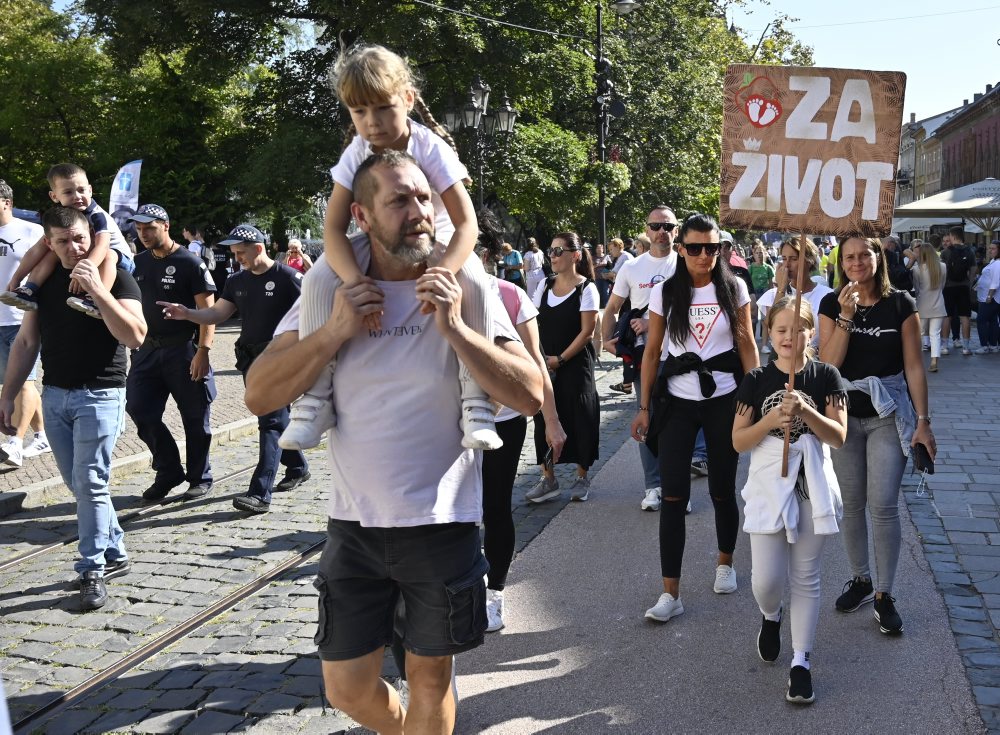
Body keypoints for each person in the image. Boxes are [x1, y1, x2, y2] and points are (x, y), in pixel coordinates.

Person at [243, 150, 542, 735]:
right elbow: (258, 394)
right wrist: (334, 330)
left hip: (443, 523)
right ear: (360, 213)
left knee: (431, 680)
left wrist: (455, 329)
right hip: (353, 526)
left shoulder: (464, 285)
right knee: (346, 686)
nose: (420, 212)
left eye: (425, 198)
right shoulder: (329, 283)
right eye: (399, 200)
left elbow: (530, 393)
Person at [279, 45, 501, 456]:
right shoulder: (356, 153)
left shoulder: (430, 147)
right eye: (359, 111)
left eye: (382, 108)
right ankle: (314, 399)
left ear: (409, 99)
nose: (372, 122)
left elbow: (467, 223)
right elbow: (332, 228)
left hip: (436, 238)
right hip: (380, 236)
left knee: (474, 280)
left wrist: (446, 271)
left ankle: (476, 402)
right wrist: (355, 281)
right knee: (317, 277)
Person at [0, 206, 146, 609]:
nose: (73, 247)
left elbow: (135, 336)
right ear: (49, 243)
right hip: (55, 395)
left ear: (91, 236)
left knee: (91, 481)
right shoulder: (42, 283)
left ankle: (91, 568)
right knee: (78, 484)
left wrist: (99, 290)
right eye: (62, 241)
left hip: (101, 395)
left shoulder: (117, 275)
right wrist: (8, 394)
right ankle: (115, 551)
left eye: (79, 238)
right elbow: (27, 343)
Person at [632, 213, 758, 623]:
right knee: (673, 496)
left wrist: (757, 399)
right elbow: (652, 351)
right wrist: (644, 407)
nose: (706, 256)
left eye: (713, 247)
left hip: (724, 399)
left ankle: (725, 562)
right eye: (697, 248)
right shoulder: (666, 293)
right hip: (679, 402)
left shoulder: (733, 287)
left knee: (722, 489)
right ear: (682, 249)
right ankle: (671, 592)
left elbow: (747, 345)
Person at [818, 235, 936, 635]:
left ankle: (885, 594)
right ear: (840, 262)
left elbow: (914, 367)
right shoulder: (831, 304)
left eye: (863, 255)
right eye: (848, 257)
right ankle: (861, 579)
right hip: (844, 416)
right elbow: (828, 366)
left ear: (877, 258)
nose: (855, 262)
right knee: (851, 504)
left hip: (888, 413)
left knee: (882, 504)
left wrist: (924, 421)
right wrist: (847, 319)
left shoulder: (901, 304)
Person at [733, 295, 848, 705]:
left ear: (809, 332)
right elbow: (739, 440)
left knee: (806, 578)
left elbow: (838, 436)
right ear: (770, 333)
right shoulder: (757, 379)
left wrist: (807, 414)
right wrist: (771, 419)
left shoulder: (826, 375)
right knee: (767, 582)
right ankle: (770, 615)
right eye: (780, 330)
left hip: (811, 487)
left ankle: (801, 662)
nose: (788, 337)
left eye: (796, 329)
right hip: (768, 486)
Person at [157, 224, 310, 514]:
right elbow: (218, 313)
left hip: (281, 359)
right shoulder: (237, 280)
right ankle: (298, 466)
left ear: (258, 248)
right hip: (250, 359)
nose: (237, 257)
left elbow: (316, 312)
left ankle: (260, 493)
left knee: (271, 422)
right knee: (274, 416)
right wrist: (188, 313)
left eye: (241, 252)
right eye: (234, 252)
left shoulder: (289, 278)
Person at [480, 221, 566, 631]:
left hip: (502, 420)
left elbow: (535, 361)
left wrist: (551, 421)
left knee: (494, 505)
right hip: (444, 422)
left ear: (487, 254)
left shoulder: (509, 295)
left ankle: (494, 592)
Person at [126, 204, 218, 502]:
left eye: (149, 228)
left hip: (183, 350)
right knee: (140, 409)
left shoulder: (190, 262)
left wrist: (203, 352)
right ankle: (168, 469)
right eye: (139, 229)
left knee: (194, 417)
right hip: (146, 352)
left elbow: (209, 312)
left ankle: (199, 476)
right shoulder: (136, 262)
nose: (143, 234)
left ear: (165, 226)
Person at [601, 207, 679, 511]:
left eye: (667, 226)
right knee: (645, 418)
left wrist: (653, 324)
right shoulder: (632, 268)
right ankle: (653, 486)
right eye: (655, 226)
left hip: (679, 355)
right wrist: (607, 342)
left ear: (676, 229)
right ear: (647, 231)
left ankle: (675, 487)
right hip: (644, 356)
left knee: (676, 423)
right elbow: (612, 308)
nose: (661, 231)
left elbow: (692, 310)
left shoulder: (685, 264)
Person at [0, 163, 135, 320]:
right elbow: (37, 249)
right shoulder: (64, 218)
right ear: (54, 196)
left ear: (90, 190)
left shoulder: (98, 216)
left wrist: (81, 272)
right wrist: (17, 277)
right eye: (68, 192)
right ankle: (29, 290)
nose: (77, 196)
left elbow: (102, 246)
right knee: (51, 252)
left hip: (119, 259)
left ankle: (96, 299)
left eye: (81, 190)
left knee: (109, 255)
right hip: (90, 257)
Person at [525, 232, 600, 504]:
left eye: (559, 251)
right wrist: (540, 357)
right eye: (551, 250)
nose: (553, 256)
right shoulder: (544, 285)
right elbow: (531, 324)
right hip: (546, 364)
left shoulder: (586, 288)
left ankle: (581, 476)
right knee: (543, 418)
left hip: (575, 364)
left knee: (580, 415)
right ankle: (548, 478)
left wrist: (561, 359)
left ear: (575, 255)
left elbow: (587, 332)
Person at [0, 180, 50, 467]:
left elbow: (46, 268)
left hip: (22, 318)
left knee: (22, 383)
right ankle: (41, 435)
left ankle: (14, 443)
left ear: (7, 202)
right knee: (9, 383)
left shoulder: (32, 231)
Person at [905, 239, 947, 371]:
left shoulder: (917, 269)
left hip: (922, 303)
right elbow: (943, 285)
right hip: (938, 303)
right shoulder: (943, 267)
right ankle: (934, 361)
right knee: (935, 334)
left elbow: (916, 289)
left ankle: (918, 361)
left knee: (921, 333)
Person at [940, 226, 977, 356]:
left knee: (947, 316)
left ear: (953, 236)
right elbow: (973, 270)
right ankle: (966, 347)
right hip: (963, 287)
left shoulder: (946, 252)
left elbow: (942, 271)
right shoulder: (970, 251)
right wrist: (969, 283)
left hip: (948, 287)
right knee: (965, 317)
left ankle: (944, 346)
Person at [973, 240, 1000, 354]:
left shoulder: (998, 264)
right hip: (986, 297)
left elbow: (995, 282)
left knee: (981, 320)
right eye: (989, 248)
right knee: (993, 320)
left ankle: (984, 346)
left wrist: (989, 296)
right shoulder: (993, 261)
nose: (990, 250)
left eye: (993, 248)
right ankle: (993, 345)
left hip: (990, 298)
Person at [592, 242, 613, 307]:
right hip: (597, 278)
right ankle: (597, 306)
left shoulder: (607, 257)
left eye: (600, 248)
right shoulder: (593, 257)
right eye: (597, 248)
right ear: (595, 249)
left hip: (605, 278)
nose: (599, 249)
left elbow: (611, 266)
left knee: (605, 293)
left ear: (603, 249)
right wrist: (600, 264)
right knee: (597, 293)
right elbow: (591, 267)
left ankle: (606, 307)